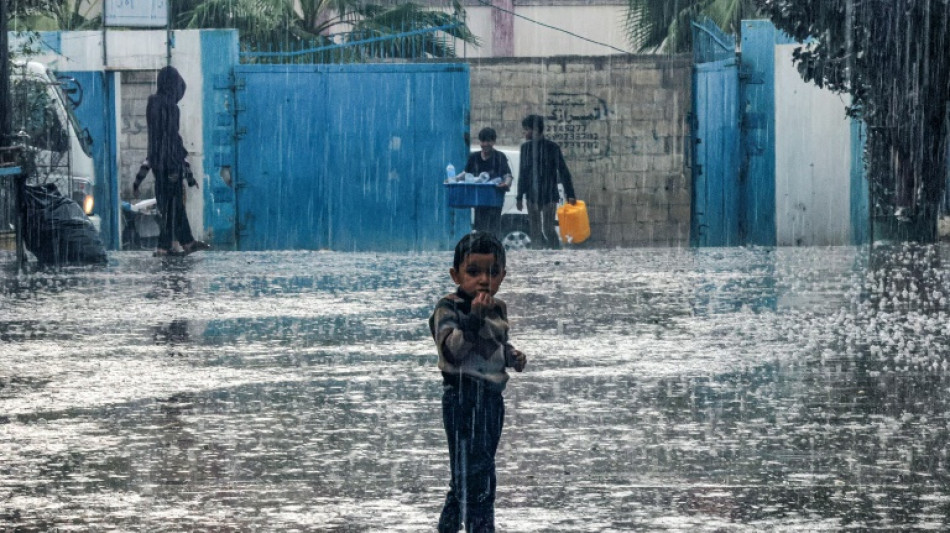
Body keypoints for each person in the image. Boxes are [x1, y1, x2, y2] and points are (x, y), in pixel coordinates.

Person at [429, 231, 527, 533]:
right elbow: (452, 351)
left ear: (503, 276)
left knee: (475, 473)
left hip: (491, 400)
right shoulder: (449, 308)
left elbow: (497, 344)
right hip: (462, 398)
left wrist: (512, 356)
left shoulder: (497, 308)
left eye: (492, 272)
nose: (483, 280)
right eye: (473, 272)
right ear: (455, 274)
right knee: (474, 476)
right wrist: (473, 319)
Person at [141, 66, 209, 257]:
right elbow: (171, 136)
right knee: (173, 206)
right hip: (170, 162)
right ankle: (165, 247)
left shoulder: (152, 103)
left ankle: (186, 242)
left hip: (157, 162)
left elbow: (160, 136)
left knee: (172, 204)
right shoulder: (171, 107)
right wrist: (181, 163)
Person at [516, 114, 576, 249]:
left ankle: (556, 251)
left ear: (535, 130)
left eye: (526, 129)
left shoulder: (552, 148)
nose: (524, 133)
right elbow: (523, 174)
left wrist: (570, 193)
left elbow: (563, 171)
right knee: (535, 230)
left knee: (548, 228)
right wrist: (519, 197)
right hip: (532, 195)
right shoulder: (525, 148)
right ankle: (537, 257)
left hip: (549, 195)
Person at [462, 127, 513, 239]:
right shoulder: (474, 157)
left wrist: (506, 184)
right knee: (479, 228)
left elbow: (508, 175)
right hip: (479, 200)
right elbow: (465, 174)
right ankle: (481, 252)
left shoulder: (500, 157)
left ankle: (494, 251)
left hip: (495, 199)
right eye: (482, 141)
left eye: (488, 141)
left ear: (494, 142)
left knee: (493, 229)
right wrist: (453, 180)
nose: (485, 144)